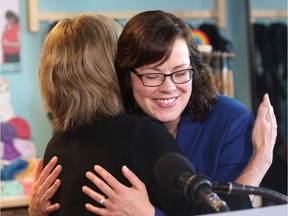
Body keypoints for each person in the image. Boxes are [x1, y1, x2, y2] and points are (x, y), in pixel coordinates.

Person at [28, 10, 277, 216]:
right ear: (123, 71)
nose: (167, 86)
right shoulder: (138, 131)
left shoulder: (58, 143)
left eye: (180, 72)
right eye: (151, 74)